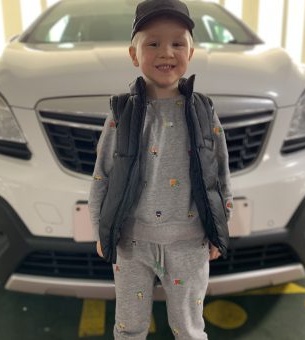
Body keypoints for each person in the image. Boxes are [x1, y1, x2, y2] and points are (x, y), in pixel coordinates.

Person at [88, 0, 233, 338]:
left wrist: (218, 228)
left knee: (188, 327)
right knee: (129, 327)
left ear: (191, 53)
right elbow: (102, 175)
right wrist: (100, 228)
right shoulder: (121, 113)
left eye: (177, 43)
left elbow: (220, 175)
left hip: (189, 245)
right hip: (132, 243)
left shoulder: (203, 112)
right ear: (134, 54)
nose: (166, 52)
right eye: (153, 43)